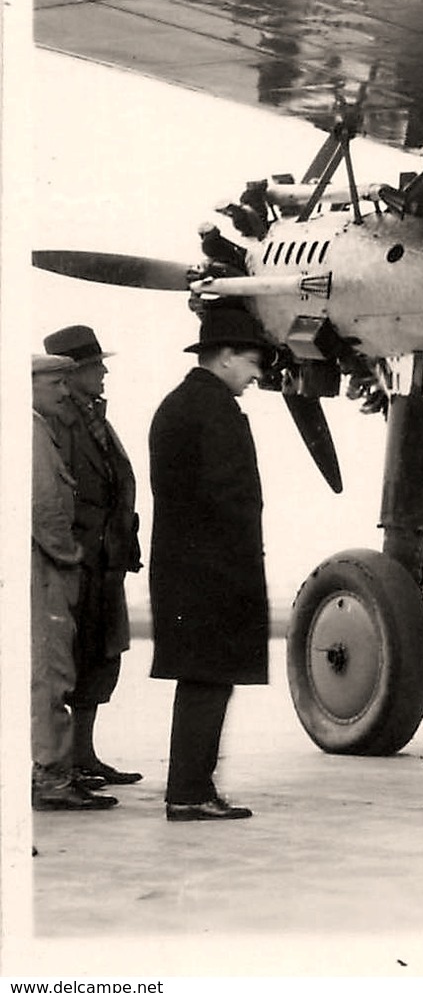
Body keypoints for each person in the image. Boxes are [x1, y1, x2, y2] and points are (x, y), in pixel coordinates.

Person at [149, 307, 275, 821]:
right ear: (224, 358)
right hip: (213, 573)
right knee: (208, 679)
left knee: (200, 678)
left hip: (187, 569)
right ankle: (189, 792)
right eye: (250, 361)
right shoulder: (213, 409)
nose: (257, 373)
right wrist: (240, 566)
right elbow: (229, 497)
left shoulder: (180, 404)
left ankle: (191, 787)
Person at [43, 325, 144, 788]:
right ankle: (65, 761)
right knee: (75, 659)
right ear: (75, 371)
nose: (104, 372)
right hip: (79, 560)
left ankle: (83, 755)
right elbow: (57, 494)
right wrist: (71, 550)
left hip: (105, 560)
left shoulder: (93, 417)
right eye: (96, 365)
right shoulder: (59, 423)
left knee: (101, 658)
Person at [33, 353, 117, 811]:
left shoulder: (43, 427)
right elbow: (44, 506)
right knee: (51, 673)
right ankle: (52, 776)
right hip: (50, 570)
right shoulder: (34, 431)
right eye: (54, 384)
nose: (63, 392)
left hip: (61, 565)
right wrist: (70, 557)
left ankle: (62, 767)